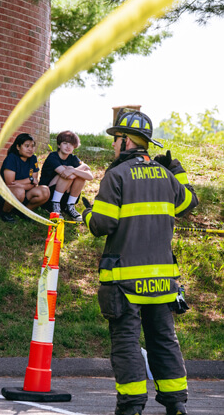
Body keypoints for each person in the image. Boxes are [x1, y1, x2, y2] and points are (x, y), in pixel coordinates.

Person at [82, 110, 198, 415]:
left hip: (125, 281)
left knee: (127, 343)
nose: (112, 146)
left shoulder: (116, 175)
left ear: (126, 140)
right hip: (163, 281)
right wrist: (178, 170)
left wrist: (87, 214)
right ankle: (176, 404)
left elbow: (103, 224)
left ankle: (132, 406)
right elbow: (188, 203)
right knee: (163, 340)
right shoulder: (166, 175)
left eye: (115, 140)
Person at [0, 133, 50, 223]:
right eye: (27, 146)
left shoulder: (33, 159)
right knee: (18, 191)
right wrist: (29, 180)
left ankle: (23, 212)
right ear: (18, 147)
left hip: (23, 193)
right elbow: (10, 184)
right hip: (3, 195)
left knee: (45, 191)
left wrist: (25, 182)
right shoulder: (11, 158)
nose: (30, 149)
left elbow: (35, 182)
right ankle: (4, 212)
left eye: (32, 146)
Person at [39, 130, 93, 221]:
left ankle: (70, 206)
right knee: (70, 174)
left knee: (80, 176)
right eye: (65, 143)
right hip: (49, 195)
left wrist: (72, 170)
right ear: (59, 145)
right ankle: (54, 206)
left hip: (65, 197)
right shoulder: (53, 157)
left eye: (71, 144)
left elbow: (90, 177)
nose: (68, 146)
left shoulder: (73, 158)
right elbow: (67, 176)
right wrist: (80, 168)